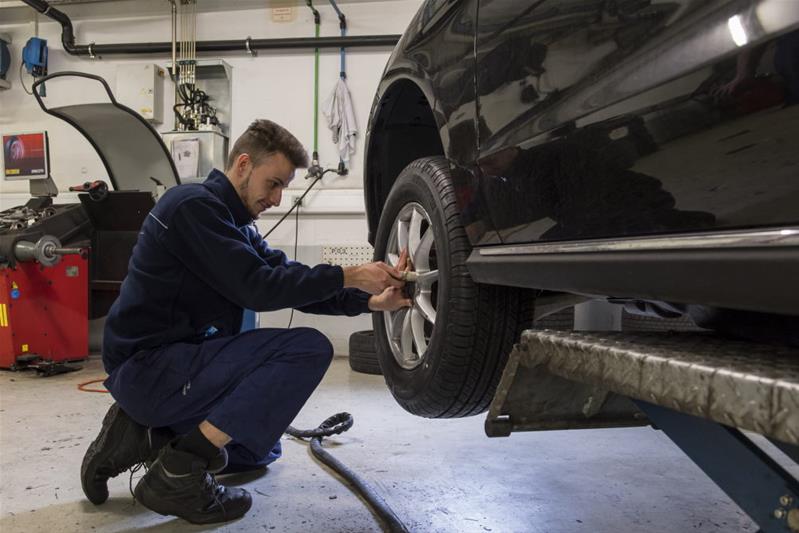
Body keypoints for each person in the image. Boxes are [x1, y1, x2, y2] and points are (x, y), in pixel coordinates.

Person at [80, 119, 411, 524]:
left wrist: (371, 302)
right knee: (307, 348)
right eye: (273, 183)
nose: (278, 197)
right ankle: (179, 470)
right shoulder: (192, 208)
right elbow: (258, 288)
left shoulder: (234, 224)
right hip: (149, 368)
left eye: (283, 186)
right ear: (242, 164)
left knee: (260, 450)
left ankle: (142, 433)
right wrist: (351, 273)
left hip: (178, 366)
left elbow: (286, 277)